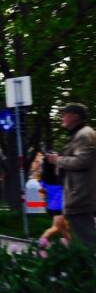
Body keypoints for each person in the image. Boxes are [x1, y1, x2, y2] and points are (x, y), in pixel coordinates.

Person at [47, 103, 96, 248]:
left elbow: (83, 161)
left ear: (76, 116)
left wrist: (58, 160)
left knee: (87, 242)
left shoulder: (84, 135)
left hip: (81, 195)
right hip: (79, 194)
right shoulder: (80, 134)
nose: (62, 116)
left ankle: (89, 268)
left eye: (65, 113)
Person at [39, 152, 68, 242]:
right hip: (59, 206)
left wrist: (49, 193)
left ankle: (72, 248)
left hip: (51, 206)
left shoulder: (44, 176)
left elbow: (41, 190)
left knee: (64, 229)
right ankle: (40, 244)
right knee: (55, 228)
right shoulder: (59, 176)